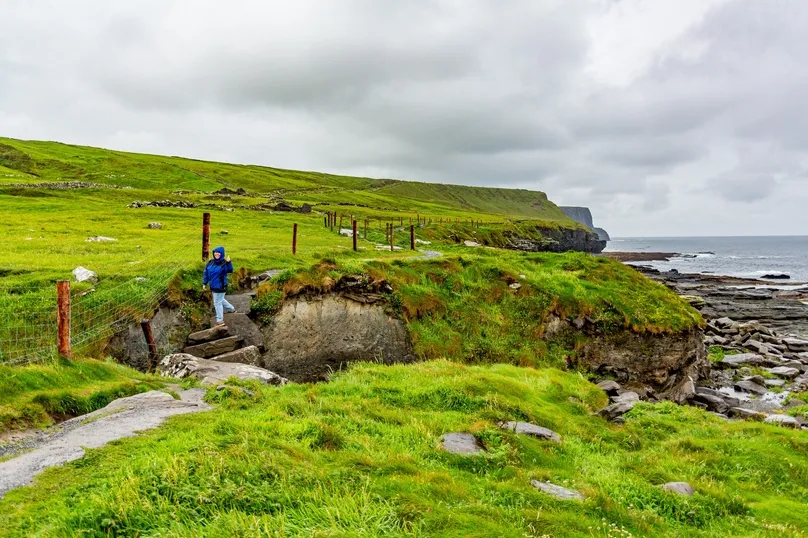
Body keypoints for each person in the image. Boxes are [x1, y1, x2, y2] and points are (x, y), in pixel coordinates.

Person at [202, 246, 235, 326]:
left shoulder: (224, 263)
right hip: (213, 286)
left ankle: (220, 321)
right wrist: (204, 283)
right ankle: (232, 309)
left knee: (217, 302)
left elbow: (230, 270)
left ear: (222, 254)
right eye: (215, 252)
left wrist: (228, 262)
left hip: (221, 286)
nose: (216, 254)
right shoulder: (211, 262)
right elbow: (206, 272)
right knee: (220, 300)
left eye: (218, 253)